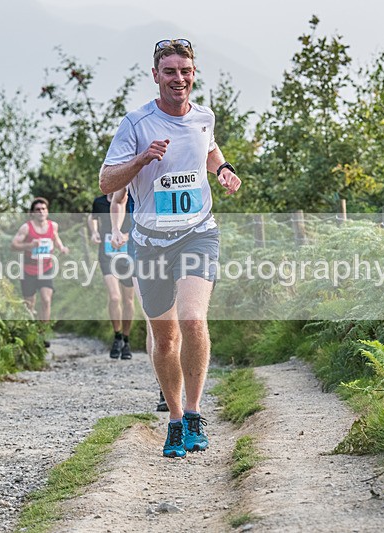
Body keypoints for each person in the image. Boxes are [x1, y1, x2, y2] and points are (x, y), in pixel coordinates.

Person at [100, 39, 241, 458]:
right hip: (150, 242)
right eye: (170, 72)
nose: (178, 79)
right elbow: (107, 182)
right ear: (156, 76)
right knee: (165, 339)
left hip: (198, 232)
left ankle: (196, 413)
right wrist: (142, 160)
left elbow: (208, 147)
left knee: (193, 319)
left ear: (193, 73)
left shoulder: (204, 117)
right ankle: (175, 420)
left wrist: (224, 169)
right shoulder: (136, 124)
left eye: (185, 71)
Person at [111, 188, 168, 412]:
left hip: (183, 243)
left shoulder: (185, 154)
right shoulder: (137, 156)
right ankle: (164, 386)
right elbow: (118, 199)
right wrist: (116, 228)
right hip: (143, 248)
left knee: (183, 319)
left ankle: (180, 381)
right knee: (154, 321)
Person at [11, 197, 69, 347]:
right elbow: (14, 244)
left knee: (46, 299)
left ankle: (43, 334)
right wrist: (29, 245)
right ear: (32, 213)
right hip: (29, 270)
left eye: (43, 209)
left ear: (47, 211)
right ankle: (31, 333)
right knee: (29, 305)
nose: (41, 212)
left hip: (46, 269)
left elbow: (55, 238)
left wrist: (61, 248)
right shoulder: (26, 228)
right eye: (38, 209)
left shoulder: (53, 226)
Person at [88, 193, 136, 360]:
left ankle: (126, 339)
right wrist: (94, 233)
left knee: (128, 301)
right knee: (115, 297)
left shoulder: (133, 199)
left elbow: (140, 222)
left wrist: (127, 236)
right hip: (107, 254)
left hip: (127, 254)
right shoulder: (99, 202)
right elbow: (92, 218)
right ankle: (117, 337)